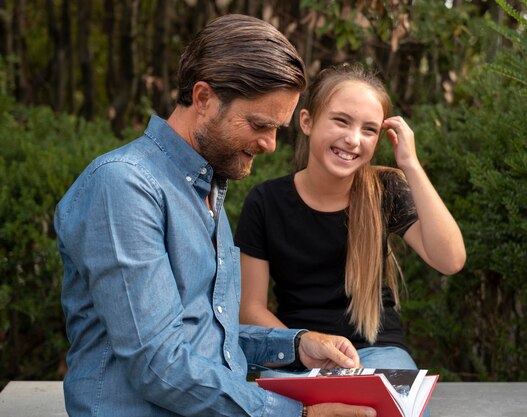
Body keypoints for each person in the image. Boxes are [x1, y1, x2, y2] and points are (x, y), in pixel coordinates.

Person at [54, 15, 376, 417]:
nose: (271, 145)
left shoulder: (205, 188)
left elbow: (205, 339)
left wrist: (296, 344)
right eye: (260, 124)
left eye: (278, 128)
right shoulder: (124, 186)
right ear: (203, 98)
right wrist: (299, 414)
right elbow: (158, 362)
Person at [235, 63, 466, 376]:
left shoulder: (386, 189)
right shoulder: (265, 202)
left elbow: (449, 260)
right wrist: (302, 344)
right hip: (298, 352)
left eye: (369, 129)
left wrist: (411, 164)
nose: (353, 139)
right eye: (341, 121)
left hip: (377, 350)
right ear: (307, 121)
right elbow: (250, 310)